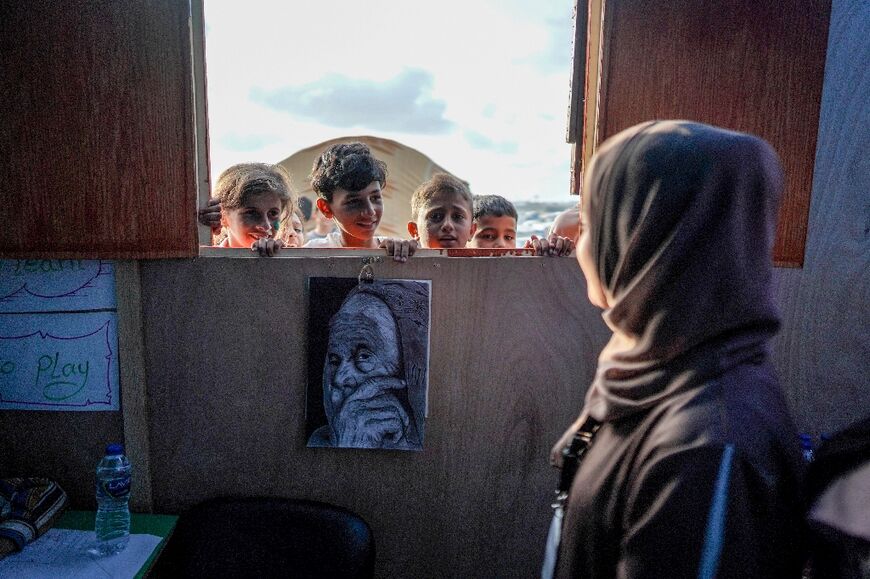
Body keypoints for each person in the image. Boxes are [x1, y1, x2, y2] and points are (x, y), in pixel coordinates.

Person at [544, 120, 806, 578]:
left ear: (649, 240)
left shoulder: (707, 446)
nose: (580, 248)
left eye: (589, 224)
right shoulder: (659, 374)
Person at [308, 280, 429, 450]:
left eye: (364, 356)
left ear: (407, 370)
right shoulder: (318, 441)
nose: (338, 378)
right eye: (334, 360)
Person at [303, 142, 416, 262]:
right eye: (354, 202)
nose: (370, 211)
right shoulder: (309, 256)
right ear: (325, 208)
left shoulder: (395, 252)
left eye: (375, 198)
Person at [196, 163, 296, 256]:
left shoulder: (284, 258)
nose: (266, 226)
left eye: (273, 213)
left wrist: (279, 262)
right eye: (251, 213)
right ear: (223, 216)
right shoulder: (208, 259)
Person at [469, 194, 574, 256]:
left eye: (508, 237)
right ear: (469, 234)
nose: (501, 244)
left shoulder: (517, 271)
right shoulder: (457, 271)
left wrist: (530, 258)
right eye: (488, 236)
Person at [407, 173, 476, 249]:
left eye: (458, 216)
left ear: (471, 231)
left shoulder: (486, 260)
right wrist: (394, 252)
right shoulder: (401, 257)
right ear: (415, 230)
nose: (447, 225)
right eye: (435, 216)